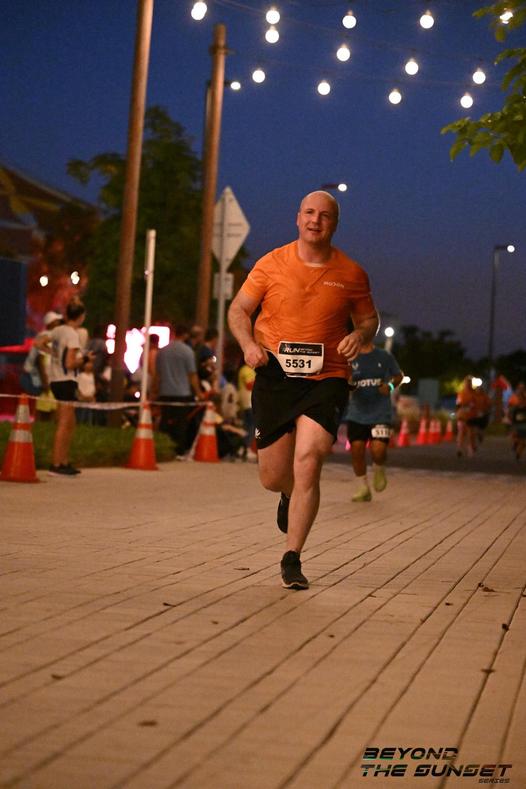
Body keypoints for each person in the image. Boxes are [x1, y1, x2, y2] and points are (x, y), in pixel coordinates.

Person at [228, 190, 378, 590]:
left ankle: (292, 557)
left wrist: (359, 335)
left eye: (324, 215)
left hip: (327, 377)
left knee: (309, 459)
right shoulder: (271, 263)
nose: (316, 220)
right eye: (309, 213)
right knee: (273, 475)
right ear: (298, 218)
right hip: (275, 375)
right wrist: (248, 345)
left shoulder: (351, 273)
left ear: (335, 224)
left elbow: (369, 320)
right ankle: (287, 495)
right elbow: (238, 310)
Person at [344, 340, 403, 502]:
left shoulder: (384, 356)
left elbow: (399, 376)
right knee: (357, 450)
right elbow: (344, 380)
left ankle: (379, 467)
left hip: (380, 413)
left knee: (378, 450)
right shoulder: (350, 357)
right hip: (356, 413)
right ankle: (363, 488)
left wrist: (390, 387)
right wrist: (349, 383)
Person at [48, 300, 92, 475]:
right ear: (81, 317)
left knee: (69, 422)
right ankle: (57, 464)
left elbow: (39, 342)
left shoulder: (57, 330)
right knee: (64, 423)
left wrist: (53, 355)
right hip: (66, 380)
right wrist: (86, 359)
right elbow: (70, 363)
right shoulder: (73, 335)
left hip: (55, 379)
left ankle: (63, 461)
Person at [152, 324, 203, 457]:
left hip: (165, 392)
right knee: (181, 424)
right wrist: (198, 392)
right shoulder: (187, 351)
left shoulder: (162, 351)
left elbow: (157, 375)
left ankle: (163, 447)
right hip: (182, 393)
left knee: (165, 421)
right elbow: (192, 375)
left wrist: (154, 392)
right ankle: (179, 450)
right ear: (185, 335)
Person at [455, 376, 478, 458]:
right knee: (461, 432)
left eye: (469, 383)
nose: (468, 385)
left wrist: (472, 406)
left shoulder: (474, 393)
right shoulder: (461, 393)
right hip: (462, 415)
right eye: (466, 383)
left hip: (471, 416)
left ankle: (470, 449)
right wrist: (463, 406)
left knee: (470, 433)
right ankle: (460, 449)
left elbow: (476, 404)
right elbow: (458, 404)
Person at [508, 381, 526, 461]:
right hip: (516, 423)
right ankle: (516, 445)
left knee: (523, 441)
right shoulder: (513, 397)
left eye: (523, 388)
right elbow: (510, 407)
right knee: (516, 437)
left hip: (523, 423)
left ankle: (518, 453)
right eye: (520, 387)